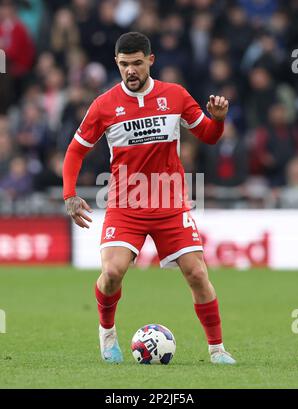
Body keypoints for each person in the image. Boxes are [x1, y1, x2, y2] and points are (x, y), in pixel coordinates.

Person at [62, 32, 236, 365]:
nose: (131, 70)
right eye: (124, 64)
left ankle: (217, 350)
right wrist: (69, 194)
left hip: (170, 203)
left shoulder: (175, 95)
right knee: (112, 273)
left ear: (150, 61)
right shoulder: (103, 105)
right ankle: (107, 333)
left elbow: (209, 137)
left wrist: (218, 119)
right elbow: (74, 151)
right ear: (117, 63)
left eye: (137, 63)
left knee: (197, 274)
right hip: (126, 205)